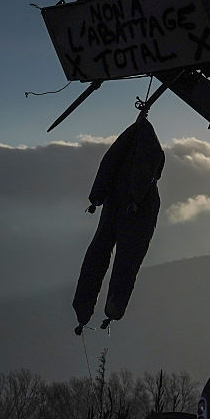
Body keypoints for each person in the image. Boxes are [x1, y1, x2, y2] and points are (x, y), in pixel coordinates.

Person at [73, 114, 164, 334]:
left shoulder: (128, 140)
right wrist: (135, 198)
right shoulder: (148, 145)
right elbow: (147, 167)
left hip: (115, 204)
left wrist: (97, 197)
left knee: (99, 254)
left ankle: (85, 308)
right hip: (136, 209)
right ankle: (111, 307)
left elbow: (109, 163)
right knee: (127, 260)